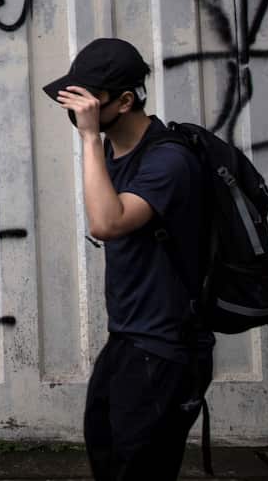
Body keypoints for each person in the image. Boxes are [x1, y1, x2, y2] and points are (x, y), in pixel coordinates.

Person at [43, 38, 213, 481]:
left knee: (139, 471)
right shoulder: (121, 154)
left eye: (89, 100)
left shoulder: (169, 160)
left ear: (124, 100)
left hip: (165, 347)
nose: (79, 109)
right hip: (128, 339)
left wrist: (87, 140)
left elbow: (107, 222)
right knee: (108, 456)